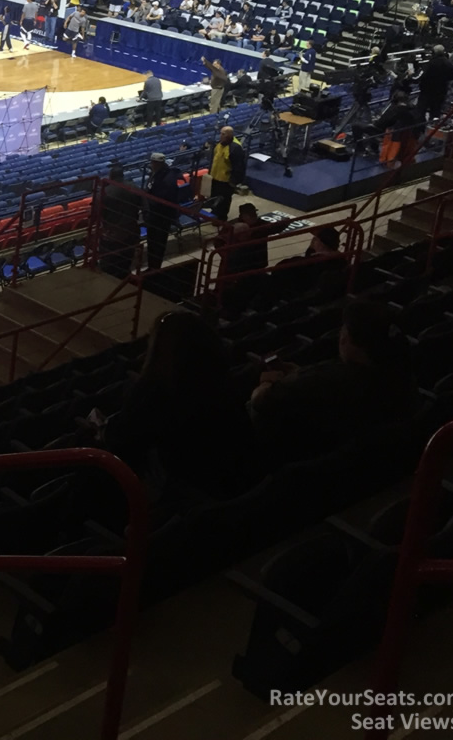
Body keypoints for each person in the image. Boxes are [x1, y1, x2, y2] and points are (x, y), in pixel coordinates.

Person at [102, 311, 256, 497]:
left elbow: (126, 443)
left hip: (184, 491)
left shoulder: (154, 392)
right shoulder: (222, 382)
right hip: (229, 484)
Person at [249, 299, 411, 460]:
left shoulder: (324, 381)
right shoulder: (399, 375)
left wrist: (267, 382)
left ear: (346, 339)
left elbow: (261, 401)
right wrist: (299, 374)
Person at [98, 163, 141, 279]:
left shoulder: (104, 192)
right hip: (132, 231)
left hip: (112, 234)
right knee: (126, 262)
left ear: (111, 176)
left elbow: (97, 212)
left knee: (110, 265)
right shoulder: (134, 188)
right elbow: (144, 206)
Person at [143, 153, 181, 272]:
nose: (151, 165)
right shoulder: (156, 174)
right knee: (152, 242)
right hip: (153, 215)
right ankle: (151, 267)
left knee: (158, 244)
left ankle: (155, 268)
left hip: (161, 217)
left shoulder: (168, 178)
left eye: (153, 163)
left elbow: (164, 199)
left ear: (157, 163)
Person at [207, 125, 245, 220]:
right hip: (215, 178)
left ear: (229, 135)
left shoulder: (235, 148)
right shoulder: (219, 144)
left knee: (224, 201)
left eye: (223, 134)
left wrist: (233, 182)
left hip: (226, 182)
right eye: (221, 133)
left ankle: (222, 219)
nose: (221, 135)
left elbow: (239, 167)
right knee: (214, 198)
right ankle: (214, 214)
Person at [377, 91, 423, 167]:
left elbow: (383, 121)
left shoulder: (394, 109)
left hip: (395, 134)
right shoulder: (413, 108)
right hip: (410, 133)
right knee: (406, 151)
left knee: (391, 149)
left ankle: (387, 162)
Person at [418, 44, 453, 118]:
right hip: (441, 91)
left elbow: (424, 76)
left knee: (421, 111)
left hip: (427, 91)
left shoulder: (431, 63)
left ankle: (420, 128)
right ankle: (433, 126)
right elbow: (452, 76)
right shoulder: (448, 63)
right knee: (436, 112)